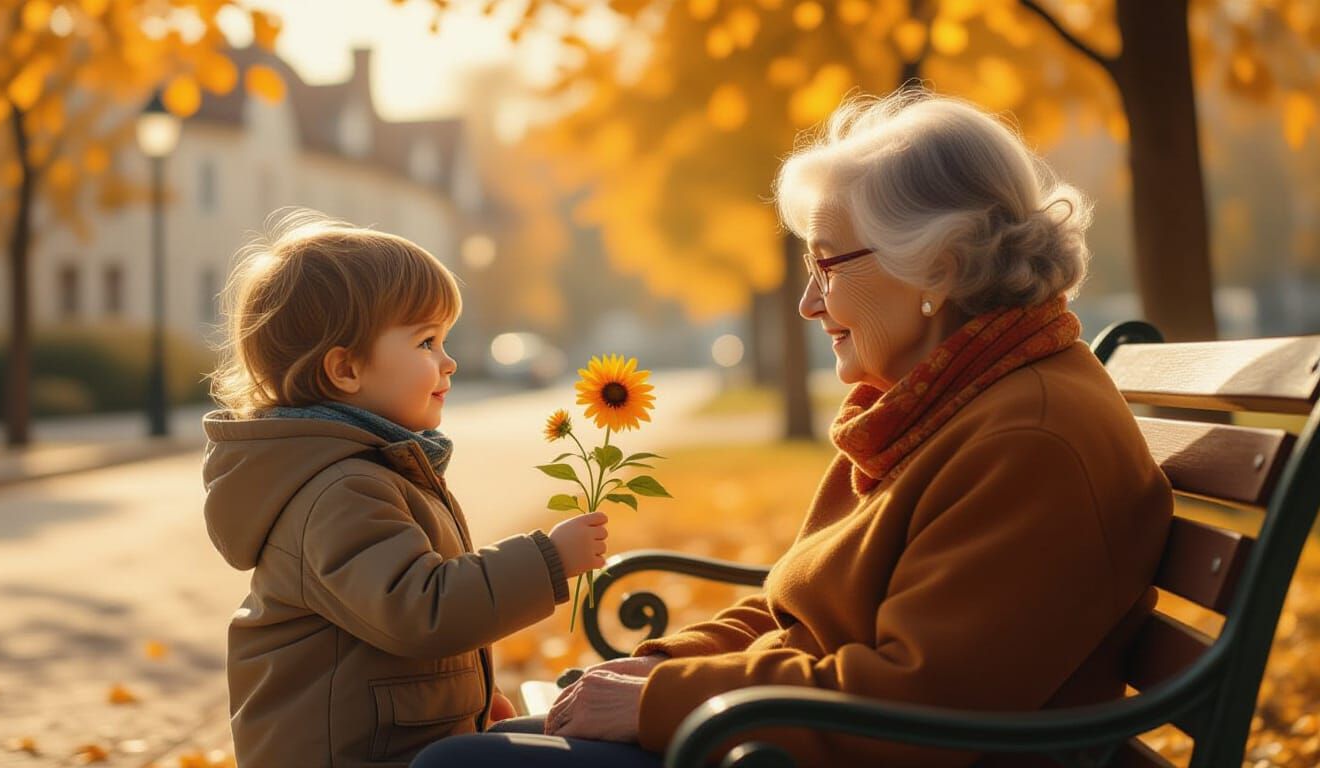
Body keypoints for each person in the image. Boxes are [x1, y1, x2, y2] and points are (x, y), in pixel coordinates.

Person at [410, 86, 1174, 768]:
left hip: (828, 745)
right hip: (785, 730)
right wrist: (656, 670)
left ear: (936, 265)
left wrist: (664, 701)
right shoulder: (933, 403)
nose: (809, 303)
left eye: (828, 265)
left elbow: (920, 701)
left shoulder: (1027, 439)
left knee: (458, 767)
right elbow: (801, 612)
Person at [201, 208, 609, 768]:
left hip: (388, 741)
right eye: (426, 342)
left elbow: (382, 642)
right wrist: (548, 559)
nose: (449, 361)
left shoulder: (370, 470)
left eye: (444, 339)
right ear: (345, 370)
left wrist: (462, 703)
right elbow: (420, 608)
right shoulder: (338, 490)